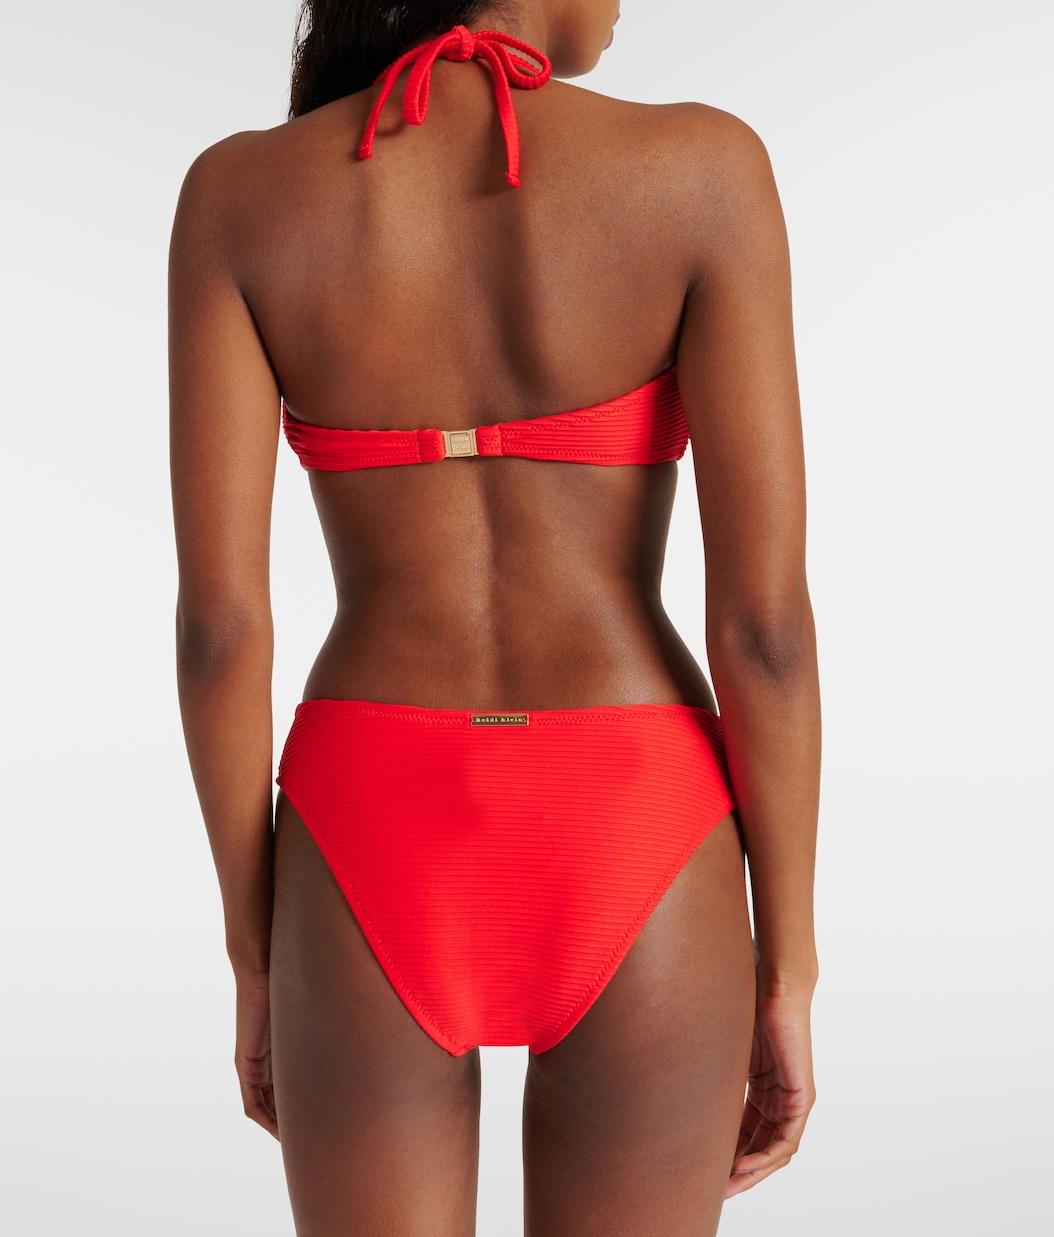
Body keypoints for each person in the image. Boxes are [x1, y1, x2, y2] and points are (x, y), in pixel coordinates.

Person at [169, 2, 820, 1232]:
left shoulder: (239, 196)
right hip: (635, 813)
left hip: (368, 817)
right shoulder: (704, 170)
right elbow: (765, 628)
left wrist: (255, 957)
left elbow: (220, 630)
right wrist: (784, 968)